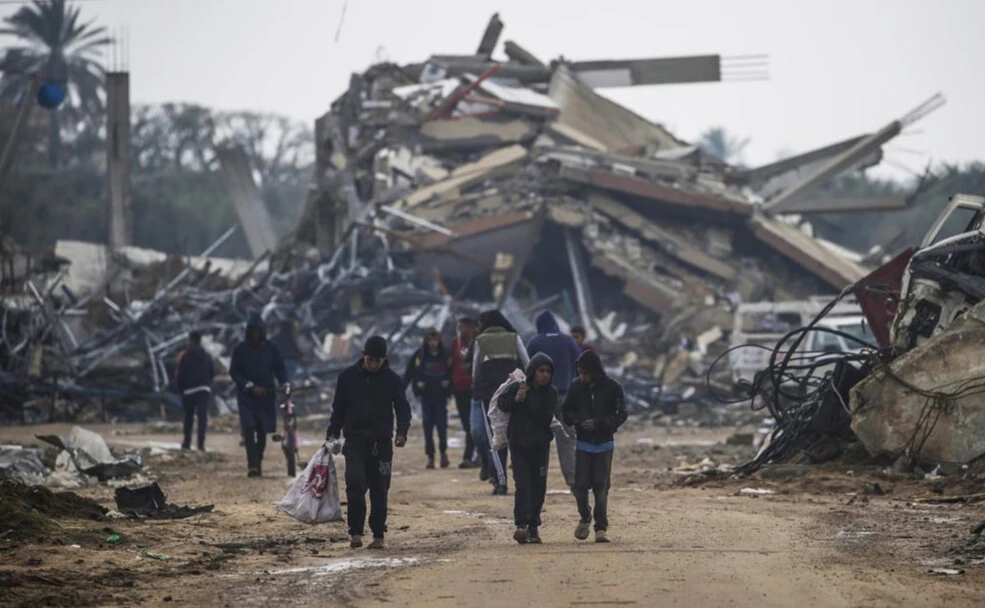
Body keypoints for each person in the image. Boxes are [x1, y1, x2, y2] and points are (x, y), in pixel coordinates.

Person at [326, 336, 411, 550]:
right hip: (354, 441)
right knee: (355, 485)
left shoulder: (392, 380)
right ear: (363, 356)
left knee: (380, 489)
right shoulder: (347, 378)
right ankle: (355, 532)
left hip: (381, 443)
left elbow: (402, 409)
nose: (373, 365)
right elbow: (339, 409)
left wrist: (401, 433)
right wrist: (332, 434)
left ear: (384, 359)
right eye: (370, 360)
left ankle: (378, 533)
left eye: (377, 361)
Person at [562, 350, 628, 543]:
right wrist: (579, 421)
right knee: (580, 487)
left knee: (601, 487)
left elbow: (621, 414)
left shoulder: (612, 387)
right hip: (583, 444)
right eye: (580, 373)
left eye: (585, 373)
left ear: (595, 371)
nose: (583, 377)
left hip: (604, 444)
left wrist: (600, 423)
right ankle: (584, 516)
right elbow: (567, 411)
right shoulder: (576, 387)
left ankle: (601, 527)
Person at [498, 353, 557, 545]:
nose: (545, 375)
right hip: (519, 444)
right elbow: (502, 404)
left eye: (548, 371)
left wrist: (526, 399)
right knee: (522, 485)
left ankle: (534, 526)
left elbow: (543, 417)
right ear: (533, 371)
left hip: (539, 446)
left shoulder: (551, 393)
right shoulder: (518, 387)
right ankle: (521, 525)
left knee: (538, 487)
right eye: (541, 371)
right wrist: (517, 398)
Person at [469, 310, 529, 495]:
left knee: (494, 437)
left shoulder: (481, 340)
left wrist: (475, 387)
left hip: (489, 393)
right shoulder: (513, 337)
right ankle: (521, 480)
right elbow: (526, 362)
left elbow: (475, 368)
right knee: (514, 435)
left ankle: (500, 482)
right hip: (511, 389)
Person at [526, 311, 581, 490]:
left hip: (541, 398)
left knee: (540, 438)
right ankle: (573, 480)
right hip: (565, 395)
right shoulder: (568, 341)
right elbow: (580, 364)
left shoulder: (535, 342)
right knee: (567, 437)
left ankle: (538, 479)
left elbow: (527, 368)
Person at [230, 313, 287, 477]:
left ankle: (258, 461)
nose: (255, 335)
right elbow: (234, 372)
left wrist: (284, 383)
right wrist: (250, 386)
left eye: (258, 331)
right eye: (252, 331)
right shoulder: (240, 349)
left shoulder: (271, 349)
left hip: (266, 396)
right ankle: (251, 464)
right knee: (248, 428)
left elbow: (280, 369)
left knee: (262, 430)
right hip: (247, 397)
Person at [402, 328, 452, 469]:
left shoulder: (445, 355)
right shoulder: (420, 355)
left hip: (440, 396)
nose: (433, 343)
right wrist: (403, 388)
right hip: (426, 396)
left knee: (442, 426)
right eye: (430, 340)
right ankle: (430, 456)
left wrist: (448, 382)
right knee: (428, 427)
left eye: (435, 339)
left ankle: (443, 453)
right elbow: (410, 372)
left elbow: (453, 371)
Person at [175, 331, 214, 452]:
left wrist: (181, 390)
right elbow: (212, 372)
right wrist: (207, 384)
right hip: (204, 388)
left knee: (188, 418)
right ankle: (201, 445)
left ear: (191, 340)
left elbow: (180, 375)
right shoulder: (207, 355)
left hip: (189, 390)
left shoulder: (185, 356)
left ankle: (187, 442)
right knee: (202, 418)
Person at [451, 317, 479, 469]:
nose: (461, 330)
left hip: (474, 388)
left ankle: (470, 456)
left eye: (463, 327)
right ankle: (472, 455)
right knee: (466, 424)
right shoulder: (455, 342)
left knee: (474, 425)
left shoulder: (478, 342)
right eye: (459, 327)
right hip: (459, 389)